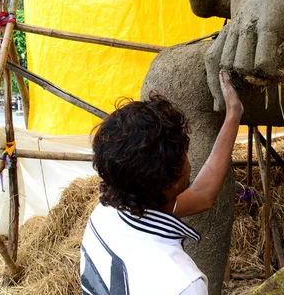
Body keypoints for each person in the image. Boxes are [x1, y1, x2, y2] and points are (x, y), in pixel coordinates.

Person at [80, 70, 243, 294]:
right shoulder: (183, 284)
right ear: (175, 178)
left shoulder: (103, 217)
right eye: (185, 153)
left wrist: (233, 116)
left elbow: (203, 195)